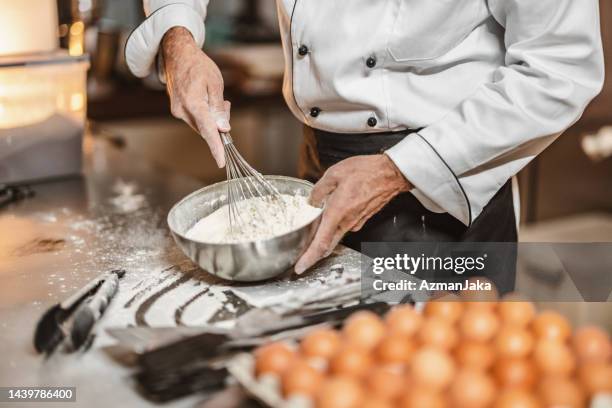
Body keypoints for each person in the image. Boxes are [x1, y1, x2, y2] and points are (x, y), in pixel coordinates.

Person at [126, 0, 604, 283]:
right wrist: (178, 41)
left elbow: (559, 69)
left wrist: (397, 170)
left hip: (442, 182)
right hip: (320, 163)